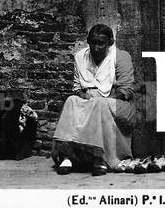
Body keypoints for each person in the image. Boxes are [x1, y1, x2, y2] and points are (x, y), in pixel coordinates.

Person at [52, 24, 136, 176]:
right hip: (89, 100)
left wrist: (99, 99)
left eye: (101, 44)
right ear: (88, 41)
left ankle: (100, 158)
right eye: (93, 43)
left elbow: (126, 91)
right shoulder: (80, 57)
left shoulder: (121, 57)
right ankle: (67, 156)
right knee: (71, 100)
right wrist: (83, 96)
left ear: (110, 43)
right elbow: (76, 87)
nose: (96, 47)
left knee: (99, 103)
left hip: (117, 102)